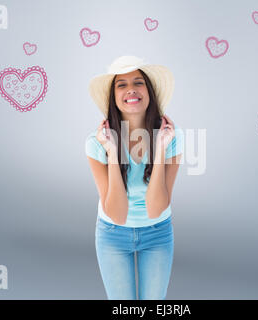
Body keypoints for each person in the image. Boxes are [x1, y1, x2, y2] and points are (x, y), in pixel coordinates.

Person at [85, 55, 184, 299]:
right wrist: (111, 151)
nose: (131, 89)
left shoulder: (172, 137)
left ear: (149, 91)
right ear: (114, 97)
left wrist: (159, 148)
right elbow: (117, 214)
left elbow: (155, 209)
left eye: (138, 82)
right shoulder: (95, 144)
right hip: (113, 235)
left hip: (157, 233)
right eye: (122, 84)